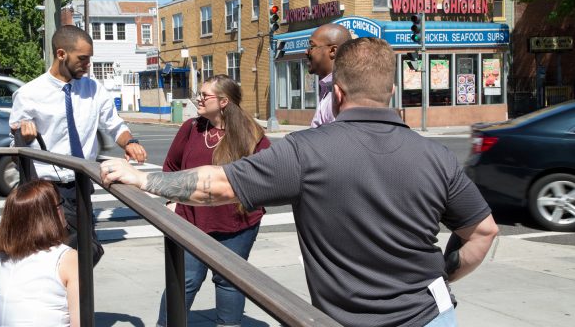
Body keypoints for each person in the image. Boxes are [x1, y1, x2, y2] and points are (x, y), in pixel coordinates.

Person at [100, 38, 500, 327]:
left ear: (338, 94)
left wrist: (143, 179)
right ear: (392, 90)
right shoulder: (437, 156)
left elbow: (215, 186)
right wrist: (444, 275)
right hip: (434, 315)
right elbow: (483, 232)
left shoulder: (304, 151)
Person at [10, 25, 148, 265]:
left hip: (82, 184)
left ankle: (70, 297)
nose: (88, 65)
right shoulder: (29, 94)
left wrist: (130, 142)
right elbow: (16, 147)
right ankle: (65, 298)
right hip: (47, 189)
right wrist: (24, 135)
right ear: (61, 54)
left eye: (89, 59)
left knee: (84, 252)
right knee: (68, 254)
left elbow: (115, 125)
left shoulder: (93, 89)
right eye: (82, 59)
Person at [155, 74, 271, 327]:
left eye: (204, 95)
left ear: (223, 101)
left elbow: (267, 177)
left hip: (237, 224)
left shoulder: (252, 133)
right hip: (190, 221)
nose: (198, 98)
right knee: (185, 279)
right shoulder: (191, 128)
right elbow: (171, 166)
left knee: (230, 281)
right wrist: (172, 200)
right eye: (199, 93)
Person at [0, 180, 79, 327]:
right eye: (60, 204)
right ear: (49, 215)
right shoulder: (67, 258)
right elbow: (81, 322)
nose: (63, 210)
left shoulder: (1, 255)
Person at [307, 23, 351, 128]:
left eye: (312, 46)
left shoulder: (341, 93)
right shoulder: (327, 88)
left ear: (333, 51)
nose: (306, 51)